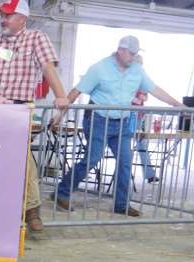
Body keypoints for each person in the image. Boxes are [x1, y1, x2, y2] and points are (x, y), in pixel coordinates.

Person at [0, 0, 70, 233]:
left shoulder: (36, 38)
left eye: (7, 16)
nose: (2, 19)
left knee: (22, 158)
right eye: (1, 16)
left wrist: (61, 97)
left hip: (16, 107)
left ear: (22, 18)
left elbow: (47, 68)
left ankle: (31, 208)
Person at [55, 35, 185, 217]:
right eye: (130, 53)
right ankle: (62, 192)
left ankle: (121, 204)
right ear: (120, 50)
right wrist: (61, 112)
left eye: (135, 54)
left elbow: (155, 89)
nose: (133, 57)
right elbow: (77, 90)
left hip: (122, 122)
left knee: (125, 161)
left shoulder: (137, 70)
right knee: (93, 158)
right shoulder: (100, 68)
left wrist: (178, 105)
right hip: (99, 119)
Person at [130, 54, 157, 184]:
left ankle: (150, 174)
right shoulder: (126, 77)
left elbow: (145, 97)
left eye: (140, 62)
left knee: (142, 144)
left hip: (139, 115)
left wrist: (141, 96)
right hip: (127, 114)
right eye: (137, 61)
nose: (139, 64)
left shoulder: (143, 79)